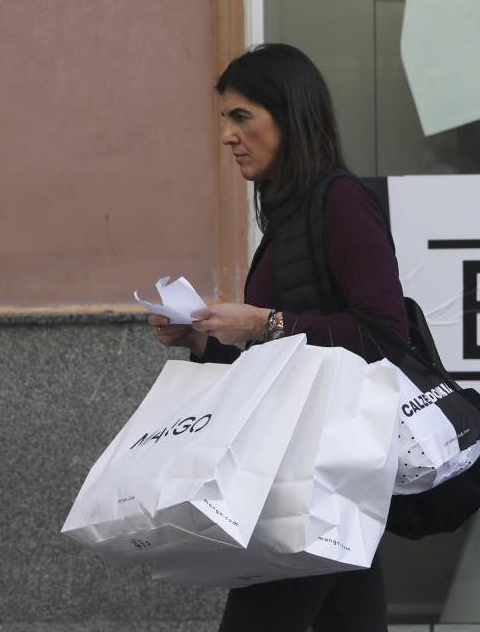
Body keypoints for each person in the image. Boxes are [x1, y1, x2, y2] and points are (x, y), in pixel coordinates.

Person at [148, 43, 407, 632]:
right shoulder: (290, 214)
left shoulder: (340, 203)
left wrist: (265, 322)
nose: (228, 136)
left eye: (243, 117)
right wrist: (199, 340)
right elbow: (276, 370)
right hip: (317, 473)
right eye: (224, 119)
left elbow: (387, 334)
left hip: (316, 476)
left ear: (289, 118)